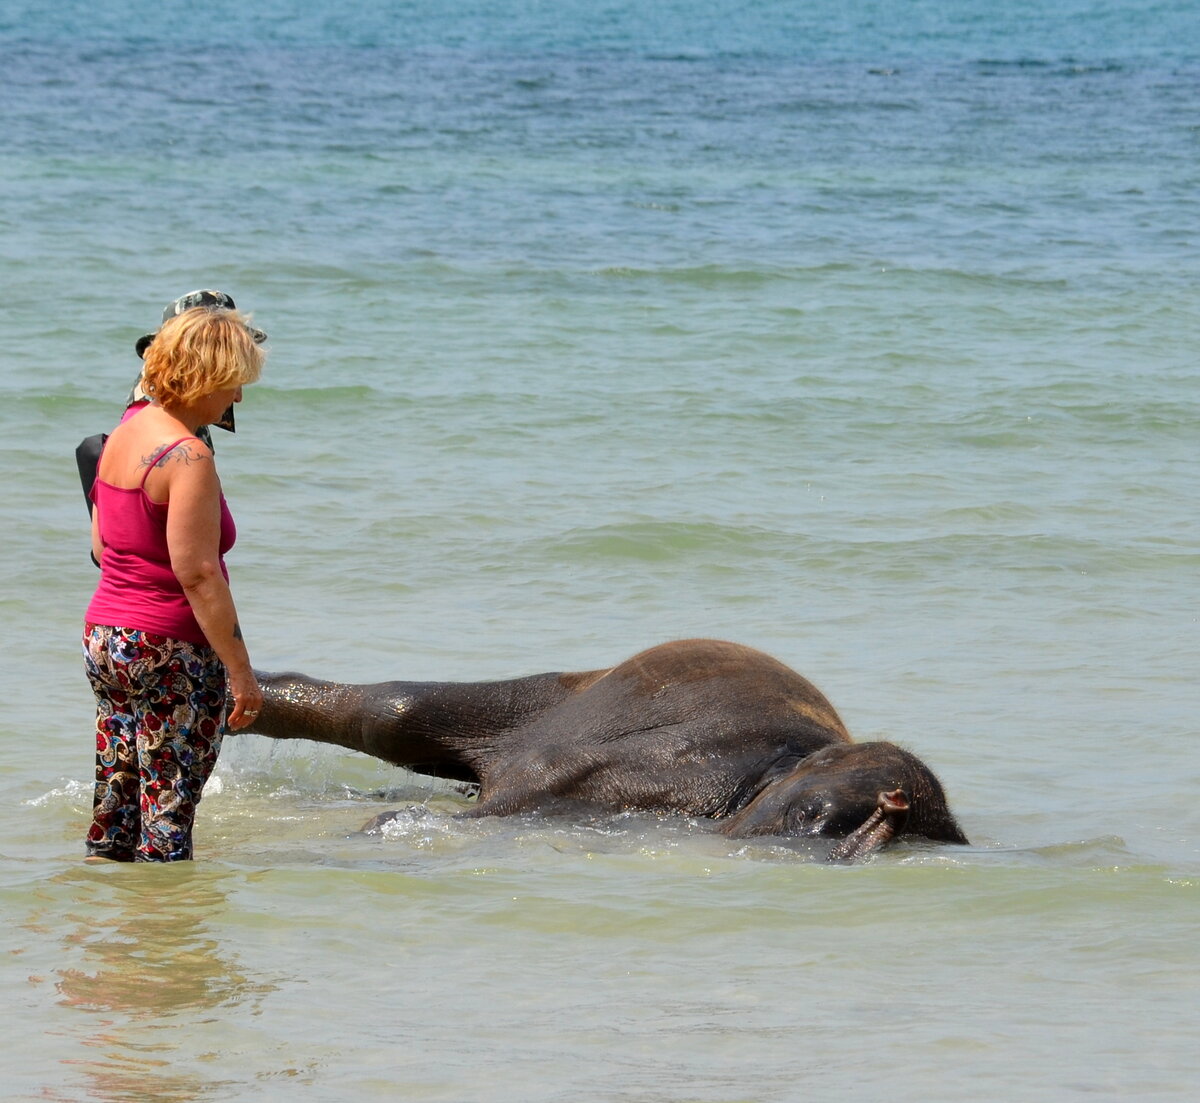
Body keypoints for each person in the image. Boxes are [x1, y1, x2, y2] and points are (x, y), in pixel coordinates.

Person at [82, 304, 266, 861]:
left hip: (106, 637)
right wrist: (241, 672)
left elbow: (100, 546)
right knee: (168, 812)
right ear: (206, 377)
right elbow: (198, 572)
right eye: (234, 383)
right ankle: (167, 939)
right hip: (170, 648)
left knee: (116, 806)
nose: (236, 398)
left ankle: (106, 934)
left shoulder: (123, 434)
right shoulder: (188, 456)